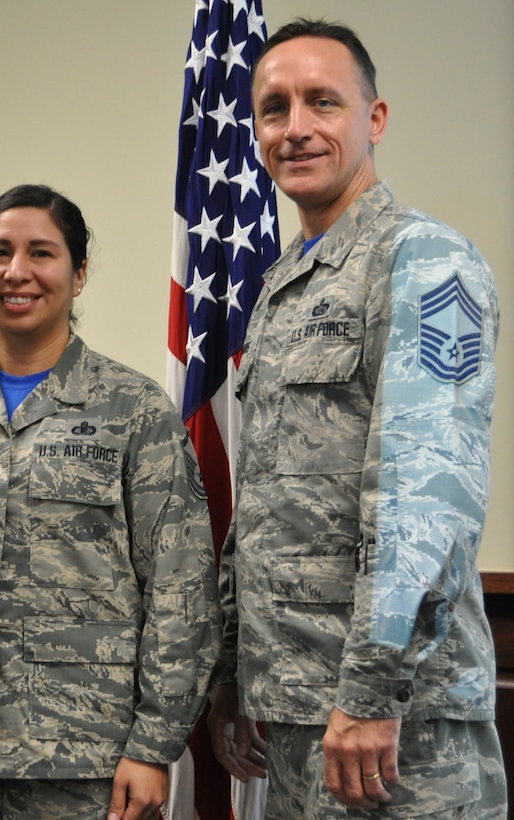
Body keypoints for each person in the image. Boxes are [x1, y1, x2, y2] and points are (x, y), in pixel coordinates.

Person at [206, 17, 507, 818]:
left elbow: (428, 491)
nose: (295, 127)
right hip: (301, 715)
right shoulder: (281, 287)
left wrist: (374, 689)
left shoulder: (423, 259)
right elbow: (268, 496)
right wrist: (236, 673)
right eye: (274, 109)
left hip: (397, 722)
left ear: (373, 120)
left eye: (322, 102)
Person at [0, 184, 221, 819]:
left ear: (79, 275)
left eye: (42, 254)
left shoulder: (133, 412)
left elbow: (181, 590)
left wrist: (153, 745)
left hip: (84, 762)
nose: (17, 272)